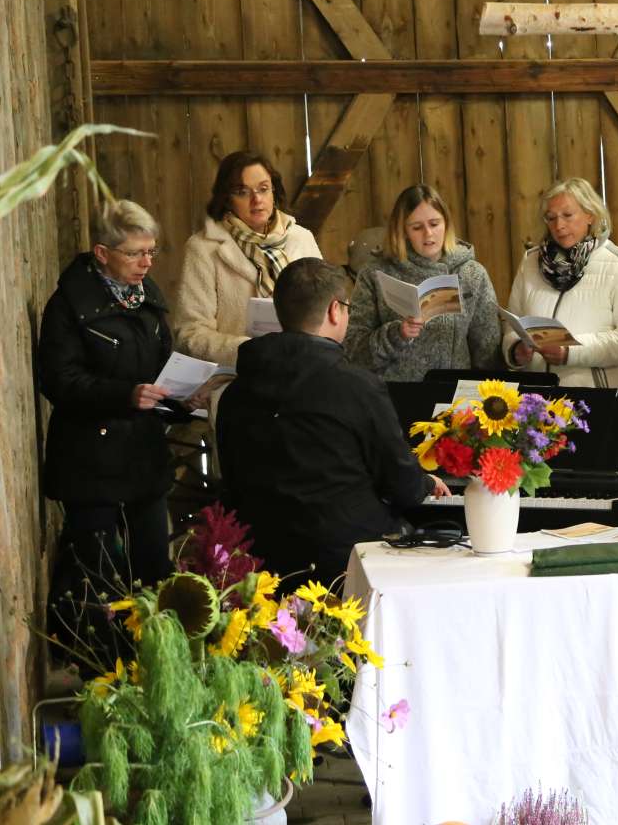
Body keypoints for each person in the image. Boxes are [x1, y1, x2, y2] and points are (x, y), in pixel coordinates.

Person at [216, 258, 448, 588]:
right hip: (346, 565)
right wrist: (424, 482)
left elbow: (234, 486)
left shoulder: (235, 393)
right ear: (335, 310)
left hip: (263, 566)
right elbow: (404, 488)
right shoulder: (357, 387)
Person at [38, 200, 177, 596]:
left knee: (155, 574)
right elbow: (58, 381)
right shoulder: (68, 306)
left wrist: (183, 397)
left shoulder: (147, 297)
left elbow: (161, 363)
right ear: (102, 253)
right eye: (135, 253)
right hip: (90, 462)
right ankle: (103, 657)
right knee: (99, 581)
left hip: (144, 459)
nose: (147, 263)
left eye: (151, 251)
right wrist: (125, 395)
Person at [174, 150, 323, 366]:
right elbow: (189, 334)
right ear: (226, 198)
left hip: (304, 367)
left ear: (274, 190)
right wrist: (252, 352)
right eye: (242, 192)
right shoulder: (203, 248)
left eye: (263, 189)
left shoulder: (301, 238)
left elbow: (326, 307)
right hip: (241, 375)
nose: (257, 200)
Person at [504, 177, 618, 388]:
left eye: (567, 215)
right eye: (551, 217)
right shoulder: (530, 262)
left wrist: (571, 352)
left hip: (598, 400)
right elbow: (512, 326)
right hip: (536, 400)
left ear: (590, 215)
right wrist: (516, 349)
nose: (559, 225)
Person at [344, 185, 503, 380]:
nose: (428, 234)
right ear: (403, 231)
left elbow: (488, 350)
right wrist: (396, 335)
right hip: (394, 396)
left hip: (455, 398)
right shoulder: (375, 274)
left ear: (446, 224)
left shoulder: (471, 274)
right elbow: (354, 350)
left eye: (435, 224)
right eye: (417, 227)